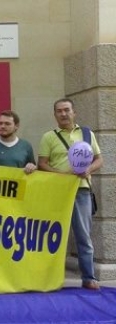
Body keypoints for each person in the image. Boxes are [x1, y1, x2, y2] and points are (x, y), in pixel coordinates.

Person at [38, 98, 103, 290]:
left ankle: (89, 278)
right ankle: (47, 278)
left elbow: (99, 160)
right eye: (59, 111)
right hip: (57, 191)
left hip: (81, 190)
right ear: (55, 115)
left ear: (74, 112)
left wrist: (88, 170)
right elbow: (42, 163)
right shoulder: (48, 137)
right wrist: (62, 176)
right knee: (52, 236)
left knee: (83, 235)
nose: (63, 114)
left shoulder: (87, 134)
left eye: (67, 110)